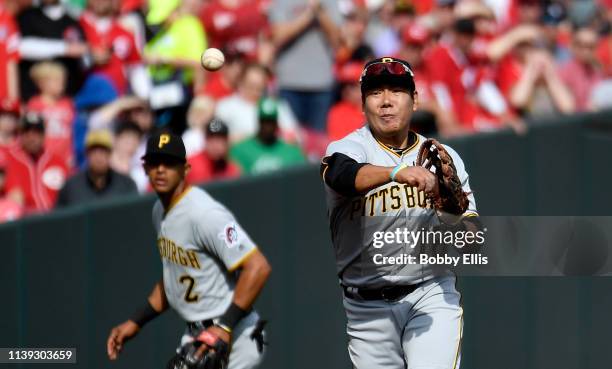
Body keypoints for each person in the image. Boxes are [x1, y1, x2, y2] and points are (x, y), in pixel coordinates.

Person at [320, 57, 479, 369]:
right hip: (366, 308)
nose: (386, 102)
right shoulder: (350, 148)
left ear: (415, 100)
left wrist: (449, 209)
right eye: (375, 93)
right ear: (363, 104)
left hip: (430, 294)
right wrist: (397, 172)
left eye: (396, 91)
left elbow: (471, 239)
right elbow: (340, 174)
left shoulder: (445, 158)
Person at [106, 131, 271, 369]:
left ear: (185, 169)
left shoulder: (204, 213)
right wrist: (136, 321)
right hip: (197, 335)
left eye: (169, 163)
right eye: (154, 163)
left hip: (236, 334)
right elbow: (174, 278)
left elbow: (258, 267)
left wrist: (224, 326)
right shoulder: (159, 212)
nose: (160, 170)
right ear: (144, 168)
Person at [4, 112, 69, 214]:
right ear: (20, 135)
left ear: (43, 135)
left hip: (56, 219)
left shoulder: (57, 161)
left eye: (37, 132)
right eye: (27, 132)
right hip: (24, 222)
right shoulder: (7, 159)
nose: (32, 138)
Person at [56, 129, 137, 207]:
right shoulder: (71, 187)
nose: (98, 157)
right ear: (87, 154)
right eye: (94, 151)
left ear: (110, 153)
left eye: (103, 151)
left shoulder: (126, 185)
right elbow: (60, 217)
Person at [230, 97, 306, 175]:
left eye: (271, 122)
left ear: (276, 123)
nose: (267, 126)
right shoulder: (240, 151)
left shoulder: (292, 153)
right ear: (259, 121)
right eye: (264, 121)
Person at [27, 61, 76, 168]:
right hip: (44, 158)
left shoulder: (68, 103)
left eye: (63, 80)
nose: (61, 84)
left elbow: (72, 131)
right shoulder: (35, 105)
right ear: (42, 83)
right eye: (56, 81)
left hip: (66, 159)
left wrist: (71, 155)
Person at [187, 119, 241, 185]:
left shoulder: (231, 168)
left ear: (227, 142)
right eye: (211, 139)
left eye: (219, 140)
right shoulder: (192, 164)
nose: (215, 145)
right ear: (205, 140)